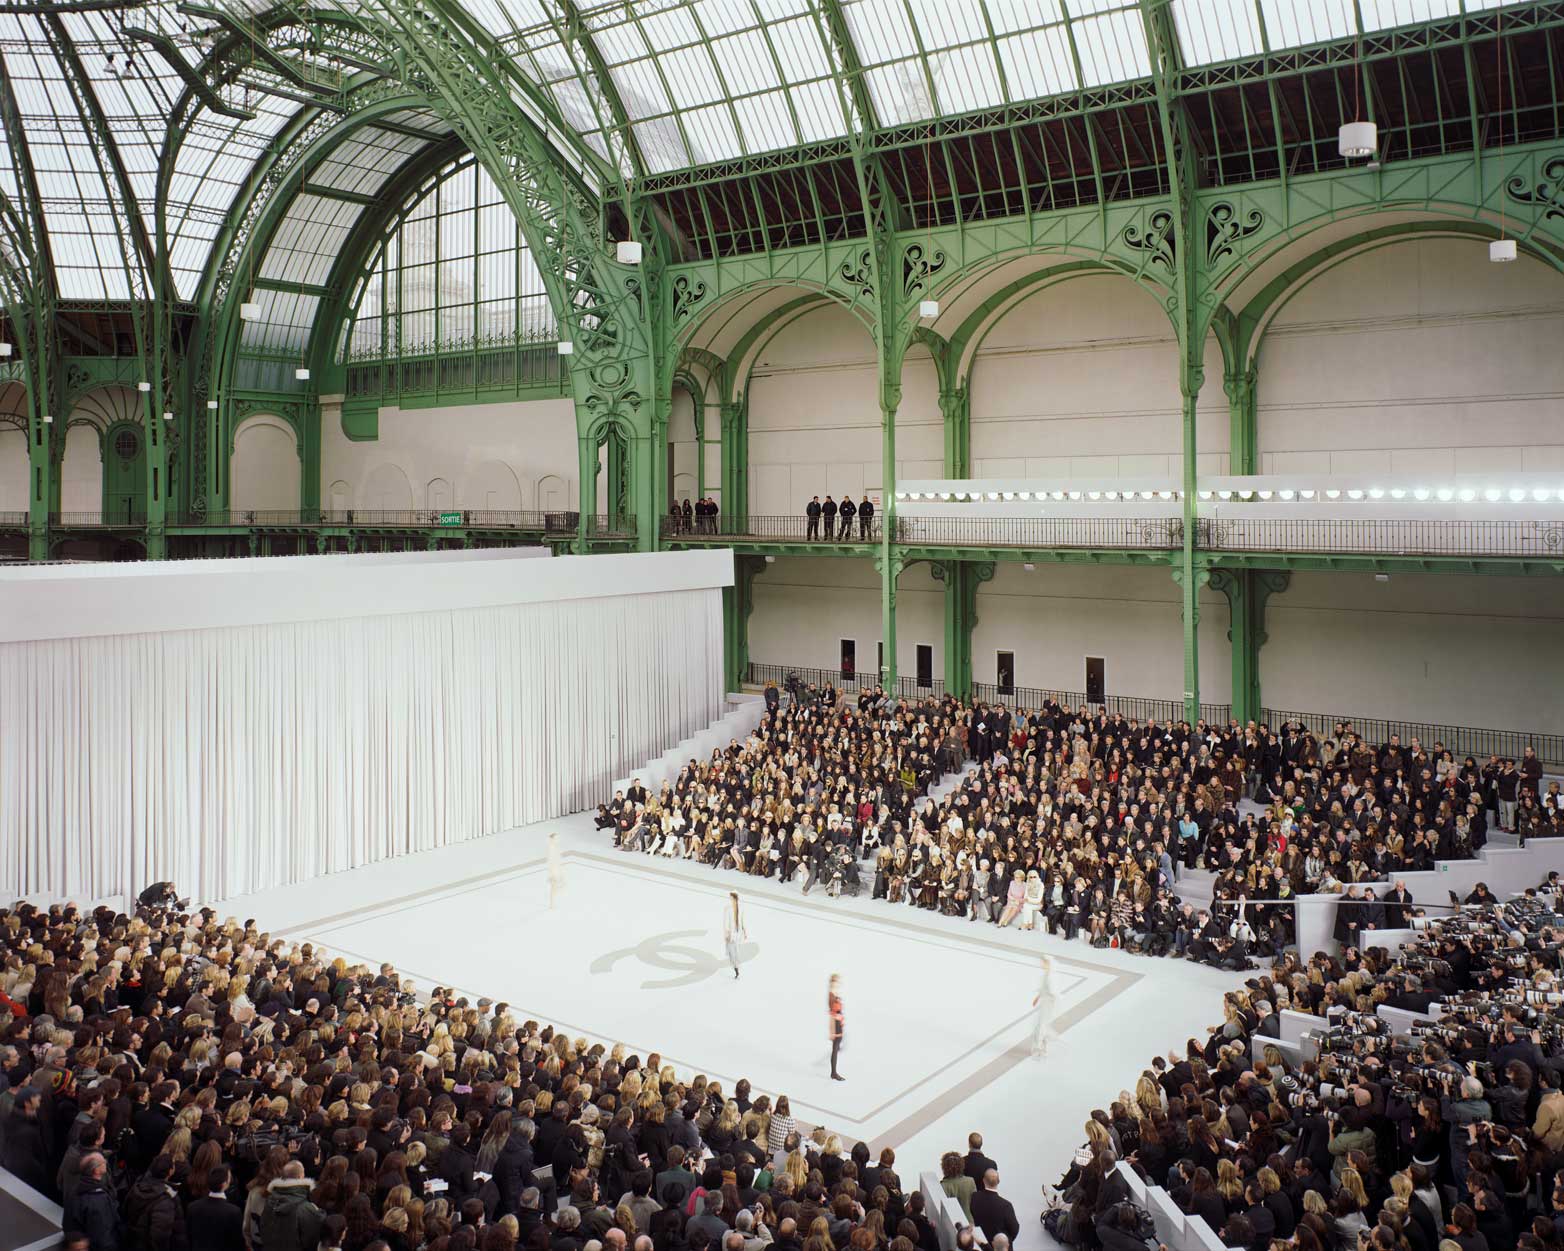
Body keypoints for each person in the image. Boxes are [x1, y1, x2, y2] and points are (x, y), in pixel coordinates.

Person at [969, 1169, 1020, 1246]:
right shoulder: (1006, 1205)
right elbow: (1014, 1229)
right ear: (998, 1181)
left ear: (983, 1181)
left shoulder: (975, 1197)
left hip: (980, 1243)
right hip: (999, 1245)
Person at [1030, 954, 1058, 1059]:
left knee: (1041, 1026)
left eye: (1043, 962)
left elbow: (1052, 992)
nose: (1041, 964)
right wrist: (1037, 998)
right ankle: (1042, 1047)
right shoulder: (1046, 975)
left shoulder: (1049, 976)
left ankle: (1039, 1048)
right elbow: (1044, 989)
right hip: (1045, 1004)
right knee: (1042, 1026)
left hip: (1047, 1005)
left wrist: (1052, 1003)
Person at [724, 892, 747, 979]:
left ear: (734, 899)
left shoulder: (735, 909)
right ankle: (736, 968)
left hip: (736, 933)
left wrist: (744, 931)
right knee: (732, 951)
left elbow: (742, 920)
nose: (730, 899)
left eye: (731, 898)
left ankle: (736, 968)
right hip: (734, 933)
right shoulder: (730, 909)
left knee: (733, 952)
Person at [827, 974, 845, 1081]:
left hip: (839, 1021)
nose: (838, 984)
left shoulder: (835, 993)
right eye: (836, 982)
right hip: (836, 1023)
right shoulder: (832, 995)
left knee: (838, 1042)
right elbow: (832, 1015)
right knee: (835, 1046)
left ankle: (834, 1072)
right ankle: (833, 1072)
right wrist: (832, 1031)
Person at [549, 832, 565, 910]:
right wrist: (553, 873)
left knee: (558, 886)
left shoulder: (555, 847)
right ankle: (552, 904)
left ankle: (552, 903)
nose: (558, 840)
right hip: (554, 870)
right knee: (554, 887)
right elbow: (551, 861)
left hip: (557, 869)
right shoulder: (551, 848)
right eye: (556, 838)